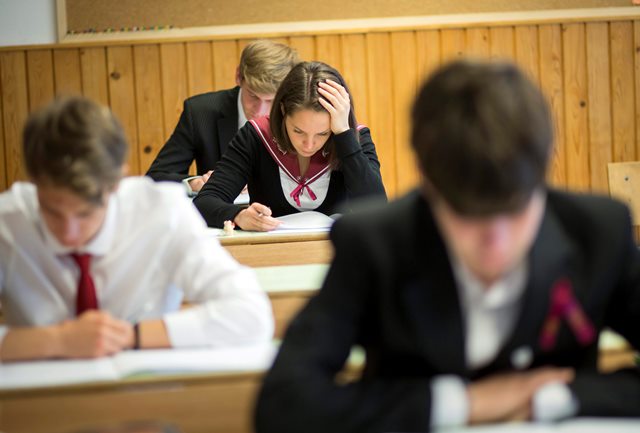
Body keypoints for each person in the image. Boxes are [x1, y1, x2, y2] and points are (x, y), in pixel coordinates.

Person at [254, 60, 640, 432]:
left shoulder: (598, 232)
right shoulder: (375, 243)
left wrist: (558, 396)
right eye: (467, 215)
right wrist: (466, 403)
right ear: (428, 182)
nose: (496, 243)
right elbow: (284, 403)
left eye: (516, 211)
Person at [0, 96, 273, 362]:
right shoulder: (8, 221)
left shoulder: (162, 213)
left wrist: (128, 336)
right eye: (52, 212)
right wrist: (58, 341)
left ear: (117, 181)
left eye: (85, 213)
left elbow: (251, 314)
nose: (69, 233)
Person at [193, 61, 387, 231]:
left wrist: (344, 134)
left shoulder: (354, 137)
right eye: (298, 131)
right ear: (283, 110)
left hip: (338, 250)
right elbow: (205, 202)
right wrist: (238, 215)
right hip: (270, 250)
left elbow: (376, 206)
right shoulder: (256, 135)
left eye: (322, 133)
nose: (309, 145)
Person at [146, 39, 299, 195]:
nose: (260, 111)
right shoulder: (200, 112)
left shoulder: (298, 115)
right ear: (238, 76)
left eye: (271, 100)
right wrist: (195, 183)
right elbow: (155, 178)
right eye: (253, 96)